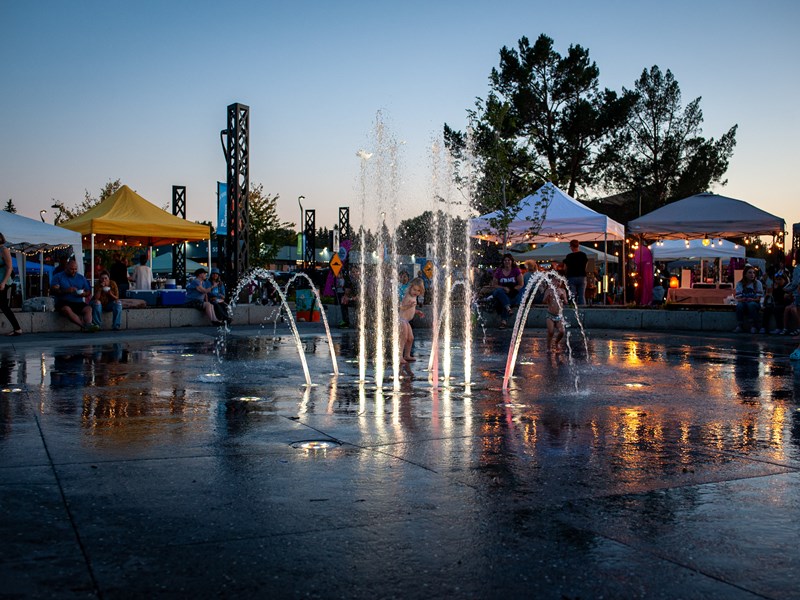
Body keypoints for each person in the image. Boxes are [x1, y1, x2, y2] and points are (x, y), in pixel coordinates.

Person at [50, 259, 98, 332]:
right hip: (63, 301)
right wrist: (66, 290)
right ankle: (83, 326)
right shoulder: (58, 276)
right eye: (71, 269)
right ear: (66, 267)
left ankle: (88, 324)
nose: (74, 271)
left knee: (88, 308)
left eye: (75, 269)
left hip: (77, 301)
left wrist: (84, 294)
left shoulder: (81, 278)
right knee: (67, 309)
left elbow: (88, 291)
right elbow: (54, 290)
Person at [491, 253, 523, 329]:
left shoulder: (516, 271)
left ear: (512, 261)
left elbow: (521, 284)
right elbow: (494, 285)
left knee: (504, 301)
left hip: (512, 294)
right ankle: (508, 310)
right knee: (499, 291)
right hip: (500, 292)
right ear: (503, 262)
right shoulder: (499, 271)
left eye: (508, 260)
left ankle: (504, 321)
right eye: (505, 260)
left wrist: (511, 290)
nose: (507, 262)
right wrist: (503, 288)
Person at [0, 232, 23, 336]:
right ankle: (17, 328)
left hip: (3, 280)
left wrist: (3, 283)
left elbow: (10, 267)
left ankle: (17, 328)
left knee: (3, 305)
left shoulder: (3, 250)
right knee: (3, 305)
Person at [398, 277, 425, 364]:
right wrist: (409, 306)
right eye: (414, 289)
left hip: (406, 321)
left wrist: (417, 312)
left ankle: (407, 355)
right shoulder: (407, 296)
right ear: (410, 287)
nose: (416, 292)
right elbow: (401, 307)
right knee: (404, 338)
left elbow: (411, 309)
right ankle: (399, 356)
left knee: (410, 338)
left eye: (418, 291)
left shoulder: (414, 297)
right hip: (402, 320)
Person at [733, 265, 763, 333]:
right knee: (739, 305)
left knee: (751, 305)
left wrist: (752, 300)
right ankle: (740, 325)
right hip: (744, 302)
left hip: (754, 303)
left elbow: (758, 299)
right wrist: (744, 299)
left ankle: (753, 326)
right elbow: (738, 298)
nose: (752, 274)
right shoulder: (740, 284)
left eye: (753, 273)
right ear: (745, 274)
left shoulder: (758, 283)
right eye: (750, 273)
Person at [543, 278, 568, 353]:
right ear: (552, 281)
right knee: (551, 331)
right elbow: (543, 301)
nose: (557, 282)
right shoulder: (549, 290)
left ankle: (556, 342)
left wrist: (563, 298)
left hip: (559, 315)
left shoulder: (562, 291)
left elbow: (566, 302)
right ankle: (548, 346)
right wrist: (547, 297)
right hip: (550, 315)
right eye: (555, 281)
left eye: (559, 281)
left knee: (562, 331)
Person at [562, 239, 588, 305]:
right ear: (578, 246)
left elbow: (565, 268)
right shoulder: (583, 255)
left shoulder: (569, 256)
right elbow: (585, 266)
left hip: (571, 277)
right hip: (582, 276)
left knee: (572, 295)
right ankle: (583, 311)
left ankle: (572, 310)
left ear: (571, 246)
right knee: (582, 296)